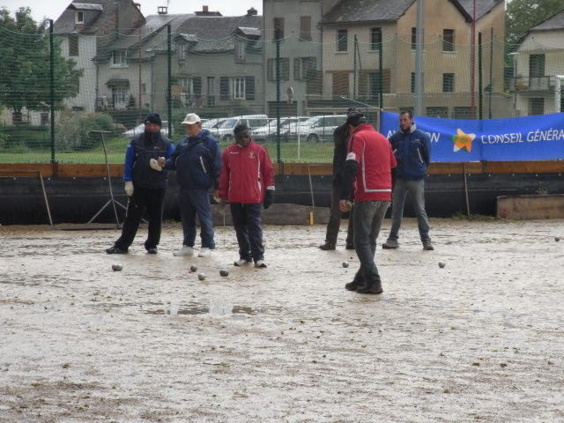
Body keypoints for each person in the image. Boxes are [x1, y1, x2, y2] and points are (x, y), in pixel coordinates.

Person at [339, 111, 396, 294]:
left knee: (360, 240)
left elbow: (351, 166)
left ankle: (374, 280)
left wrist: (345, 195)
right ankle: (360, 279)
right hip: (385, 194)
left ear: (350, 127)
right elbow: (394, 166)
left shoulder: (357, 137)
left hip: (367, 193)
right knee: (370, 239)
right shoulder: (382, 138)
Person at [106, 112, 174, 254]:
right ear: (145, 125)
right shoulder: (136, 141)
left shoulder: (167, 143)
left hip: (158, 186)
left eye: (154, 125)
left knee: (156, 217)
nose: (151, 128)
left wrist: (163, 164)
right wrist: (128, 181)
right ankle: (122, 245)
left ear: (159, 127)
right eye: (148, 125)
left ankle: (152, 245)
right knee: (133, 216)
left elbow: (174, 161)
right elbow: (129, 162)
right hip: (139, 185)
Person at [157, 113, 221, 258]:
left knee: (204, 217)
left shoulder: (210, 143)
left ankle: (207, 246)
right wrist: (164, 163)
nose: (188, 129)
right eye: (186, 126)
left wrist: (218, 187)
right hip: (184, 187)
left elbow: (217, 166)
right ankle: (188, 246)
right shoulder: (183, 144)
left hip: (200, 187)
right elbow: (174, 161)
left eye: (190, 126)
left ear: (199, 125)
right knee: (186, 218)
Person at [216, 123, 275, 268]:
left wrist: (270, 191)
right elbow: (224, 176)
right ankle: (245, 256)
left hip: (254, 197)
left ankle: (258, 257)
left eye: (246, 136)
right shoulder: (228, 152)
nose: (244, 139)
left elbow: (268, 172)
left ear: (250, 136)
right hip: (235, 197)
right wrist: (223, 195)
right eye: (240, 137)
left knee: (254, 227)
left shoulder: (260, 151)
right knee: (239, 227)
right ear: (235, 137)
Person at [382, 110, 433, 251]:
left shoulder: (422, 137)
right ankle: (393, 239)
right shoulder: (395, 138)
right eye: (401, 120)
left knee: (420, 209)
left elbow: (427, 158)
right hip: (400, 179)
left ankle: (426, 239)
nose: (402, 122)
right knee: (396, 210)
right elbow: (388, 154)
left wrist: (420, 169)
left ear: (411, 120)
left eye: (405, 119)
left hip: (416, 178)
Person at [319, 108, 358, 251]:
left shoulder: (361, 133)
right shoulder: (340, 132)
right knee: (336, 211)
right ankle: (331, 241)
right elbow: (344, 151)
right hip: (341, 176)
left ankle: (352, 241)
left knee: (355, 210)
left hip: (355, 176)